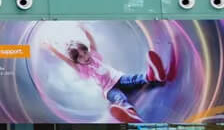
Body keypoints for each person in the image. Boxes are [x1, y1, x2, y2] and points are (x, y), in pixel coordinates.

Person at [46, 25, 176, 123]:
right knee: (118, 98)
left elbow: (91, 42)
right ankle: (130, 113)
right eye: (80, 57)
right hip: (108, 89)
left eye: (84, 52)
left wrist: (84, 29)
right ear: (76, 61)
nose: (85, 56)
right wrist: (52, 48)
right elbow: (66, 60)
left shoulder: (94, 55)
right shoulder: (80, 68)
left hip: (118, 78)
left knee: (133, 79)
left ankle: (153, 76)